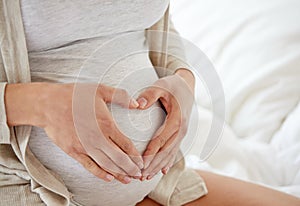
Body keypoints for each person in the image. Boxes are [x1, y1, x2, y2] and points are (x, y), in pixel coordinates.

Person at [0, 0, 299, 205]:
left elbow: (150, 23)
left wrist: (182, 79)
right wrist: (41, 105)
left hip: (156, 183)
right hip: (27, 185)